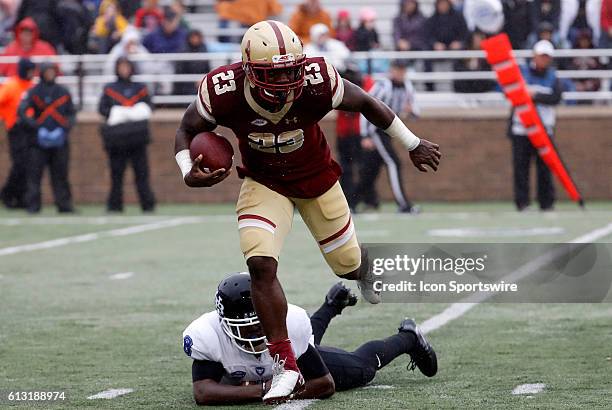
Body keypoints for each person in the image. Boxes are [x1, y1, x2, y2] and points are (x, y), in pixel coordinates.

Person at [173, 20, 441, 404]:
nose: (285, 80)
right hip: (265, 183)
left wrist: (412, 143)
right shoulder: (223, 91)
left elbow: (366, 102)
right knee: (260, 265)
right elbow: (186, 128)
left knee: (346, 264)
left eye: (290, 69)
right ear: (247, 70)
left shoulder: (317, 80)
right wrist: (188, 171)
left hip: (317, 181)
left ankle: (366, 271)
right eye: (273, 72)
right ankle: (286, 366)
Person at [181, 273, 438, 405]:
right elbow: (203, 392)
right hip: (276, 371)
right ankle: (332, 305)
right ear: (224, 323)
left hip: (292, 356)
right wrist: (264, 390)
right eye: (245, 328)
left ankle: (408, 337)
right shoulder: (208, 334)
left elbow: (324, 384)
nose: (254, 333)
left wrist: (284, 392)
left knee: (362, 367)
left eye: (260, 324)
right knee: (303, 341)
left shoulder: (290, 322)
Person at [352, 60, 420, 214]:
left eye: (403, 70)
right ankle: (403, 204)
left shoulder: (407, 87)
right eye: (398, 70)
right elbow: (365, 107)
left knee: (370, 170)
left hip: (388, 132)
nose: (400, 73)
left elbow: (416, 111)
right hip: (376, 130)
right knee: (394, 162)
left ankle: (351, 202)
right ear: (392, 70)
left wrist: (411, 111)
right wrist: (365, 135)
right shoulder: (383, 86)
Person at [98, 57, 156, 213]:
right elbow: (102, 109)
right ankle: (115, 205)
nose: (124, 70)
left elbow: (150, 106)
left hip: (137, 138)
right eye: (121, 67)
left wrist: (135, 111)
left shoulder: (140, 88)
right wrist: (119, 112)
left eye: (127, 67)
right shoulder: (110, 88)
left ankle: (147, 204)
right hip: (117, 140)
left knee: (141, 173)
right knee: (116, 174)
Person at [508, 40, 561, 212]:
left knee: (545, 167)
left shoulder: (553, 76)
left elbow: (556, 98)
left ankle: (546, 203)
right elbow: (510, 93)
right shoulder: (521, 73)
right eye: (541, 56)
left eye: (547, 57)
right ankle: (522, 203)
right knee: (521, 167)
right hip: (521, 128)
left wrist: (535, 96)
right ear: (534, 55)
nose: (544, 60)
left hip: (544, 129)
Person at [19, 62, 76, 214]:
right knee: (34, 174)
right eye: (47, 71)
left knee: (61, 174)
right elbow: (22, 111)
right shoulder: (34, 92)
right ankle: (33, 205)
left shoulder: (63, 91)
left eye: (52, 71)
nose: (50, 74)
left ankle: (64, 205)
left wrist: (64, 129)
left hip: (60, 141)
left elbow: (71, 113)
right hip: (38, 142)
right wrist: (35, 127)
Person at [0, 58, 36, 209]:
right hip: (15, 129)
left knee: (28, 165)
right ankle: (7, 193)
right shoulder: (11, 86)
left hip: (30, 128)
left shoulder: (32, 86)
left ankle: (21, 197)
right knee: (19, 164)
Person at [335, 63, 363, 209]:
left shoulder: (362, 86)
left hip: (356, 133)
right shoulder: (340, 86)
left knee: (361, 167)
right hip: (345, 133)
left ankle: (360, 198)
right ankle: (350, 200)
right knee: (346, 168)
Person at [174, 29, 210, 96]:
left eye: (197, 38)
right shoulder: (183, 50)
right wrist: (193, 81)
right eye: (193, 37)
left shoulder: (203, 48)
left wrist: (202, 79)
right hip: (186, 83)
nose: (195, 40)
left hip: (200, 80)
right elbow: (181, 71)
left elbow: (207, 68)